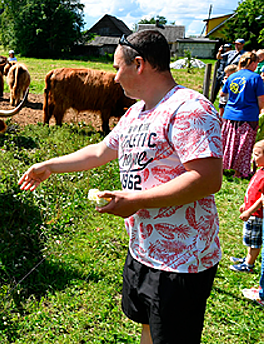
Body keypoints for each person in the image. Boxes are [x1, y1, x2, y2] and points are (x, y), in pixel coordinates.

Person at [18, 29, 223, 344]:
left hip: (182, 259)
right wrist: (49, 166)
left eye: (117, 68)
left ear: (138, 64)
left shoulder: (189, 109)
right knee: (147, 326)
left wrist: (137, 200)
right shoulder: (136, 112)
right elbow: (101, 151)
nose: (114, 78)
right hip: (143, 247)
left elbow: (207, 178)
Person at [219, 51, 264, 179]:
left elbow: (223, 95)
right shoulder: (256, 78)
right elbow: (261, 100)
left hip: (230, 115)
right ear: (253, 63)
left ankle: (223, 167)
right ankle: (239, 172)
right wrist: (260, 109)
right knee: (243, 145)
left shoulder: (233, 76)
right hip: (248, 116)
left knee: (229, 143)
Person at [230, 140, 264, 273]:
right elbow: (255, 191)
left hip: (257, 215)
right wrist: (246, 203)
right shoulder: (260, 170)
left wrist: (249, 211)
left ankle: (248, 265)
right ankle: (247, 258)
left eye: (257, 154)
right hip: (252, 213)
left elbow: (262, 199)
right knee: (250, 239)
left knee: (254, 242)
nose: (253, 158)